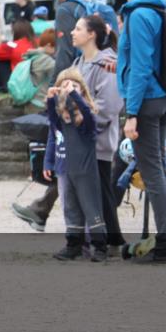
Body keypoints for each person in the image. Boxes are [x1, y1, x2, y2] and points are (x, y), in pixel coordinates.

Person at [114, 0, 166, 263]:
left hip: (147, 104)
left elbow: (141, 68)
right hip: (160, 100)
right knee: (161, 173)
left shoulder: (139, 15)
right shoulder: (149, 8)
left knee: (154, 174)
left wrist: (132, 113)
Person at [11, 0, 87, 231]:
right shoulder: (87, 5)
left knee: (73, 155)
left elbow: (65, 52)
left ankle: (87, 225)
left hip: (73, 86)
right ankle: (42, 208)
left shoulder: (66, 10)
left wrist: (56, 89)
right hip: (89, 82)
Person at [71, 14, 126, 252]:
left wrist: (85, 120)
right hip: (79, 140)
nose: (72, 32)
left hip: (98, 139)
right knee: (97, 192)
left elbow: (110, 106)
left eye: (78, 28)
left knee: (101, 191)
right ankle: (110, 239)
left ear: (91, 34)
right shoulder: (77, 64)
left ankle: (110, 240)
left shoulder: (107, 63)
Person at [43, 68, 108, 262]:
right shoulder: (62, 122)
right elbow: (52, 121)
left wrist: (73, 93)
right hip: (67, 172)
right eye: (64, 85)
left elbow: (86, 112)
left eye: (74, 85)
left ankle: (100, 247)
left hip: (85, 174)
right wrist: (51, 99)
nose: (68, 88)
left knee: (91, 208)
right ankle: (73, 245)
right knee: (70, 209)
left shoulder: (87, 122)